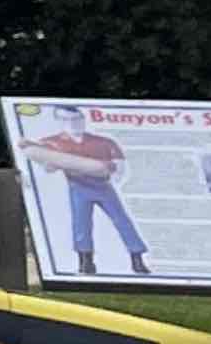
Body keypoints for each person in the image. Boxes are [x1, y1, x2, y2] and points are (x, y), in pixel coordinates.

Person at [26, 110, 150, 278]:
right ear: (60, 121)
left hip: (103, 186)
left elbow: (119, 166)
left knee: (122, 220)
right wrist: (52, 163)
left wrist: (110, 172)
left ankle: (137, 258)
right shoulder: (52, 143)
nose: (73, 123)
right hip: (78, 186)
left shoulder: (103, 142)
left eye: (77, 118)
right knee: (81, 223)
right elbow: (47, 166)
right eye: (68, 119)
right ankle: (85, 261)